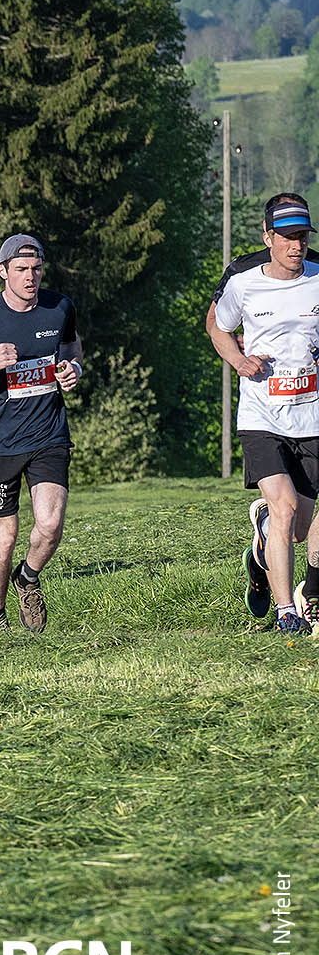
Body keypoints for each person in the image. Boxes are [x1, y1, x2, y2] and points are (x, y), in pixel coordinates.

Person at [0, 233, 82, 631]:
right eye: (21, 269)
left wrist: (73, 369)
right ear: (3, 271)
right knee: (3, 539)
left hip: (48, 435)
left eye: (36, 269)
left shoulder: (60, 307)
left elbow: (72, 348)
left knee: (51, 524)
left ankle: (28, 577)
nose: (30, 277)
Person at [209, 195, 319, 632]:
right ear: (268, 237)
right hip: (261, 415)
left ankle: (261, 544)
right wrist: (239, 361)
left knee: (296, 528)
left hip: (311, 416)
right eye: (288, 237)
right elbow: (218, 327)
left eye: (303, 236)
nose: (297, 245)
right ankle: (286, 612)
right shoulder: (244, 282)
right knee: (285, 506)